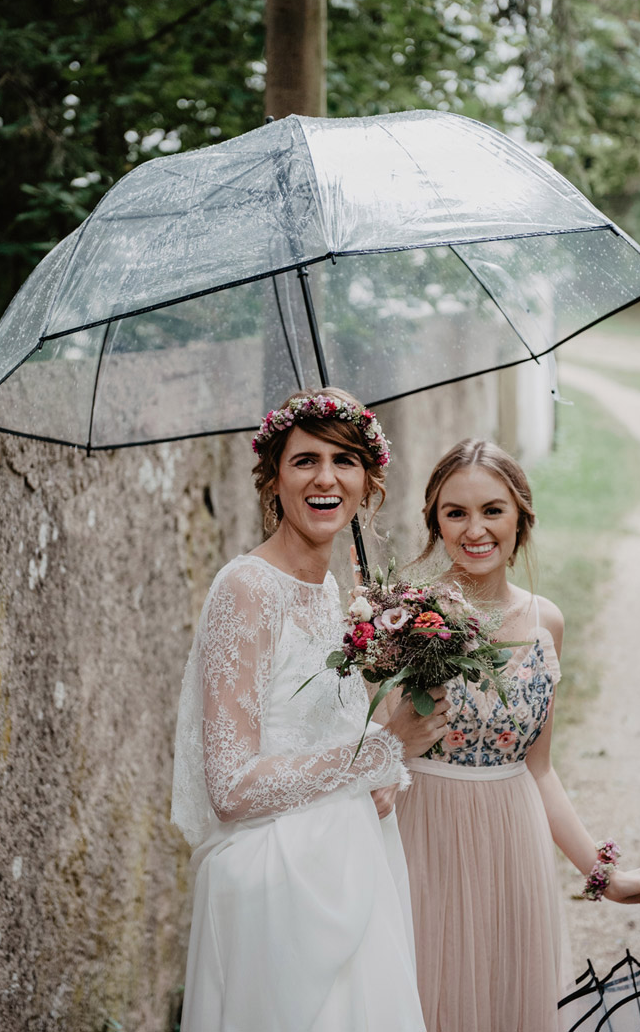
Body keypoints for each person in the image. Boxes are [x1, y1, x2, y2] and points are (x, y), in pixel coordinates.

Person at [171, 387, 446, 1031]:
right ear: (272, 480)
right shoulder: (246, 588)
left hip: (349, 861)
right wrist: (384, 750)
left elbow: (322, 737)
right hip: (278, 888)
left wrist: (381, 772)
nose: (326, 478)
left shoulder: (331, 591)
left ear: (368, 483)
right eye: (306, 461)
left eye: (345, 460)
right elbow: (233, 785)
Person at [393, 438, 640, 1032]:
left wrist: (603, 877)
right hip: (424, 838)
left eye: (492, 510)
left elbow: (538, 766)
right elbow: (380, 748)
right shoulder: (406, 620)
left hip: (512, 842)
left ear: (521, 515)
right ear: (435, 522)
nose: (475, 530)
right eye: (456, 512)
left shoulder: (544, 620)